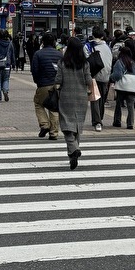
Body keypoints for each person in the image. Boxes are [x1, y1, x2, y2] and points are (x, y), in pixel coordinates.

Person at [54, 36, 95, 170]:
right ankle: (73, 154)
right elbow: (89, 80)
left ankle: (74, 149)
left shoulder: (62, 63)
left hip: (66, 96)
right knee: (77, 125)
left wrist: (56, 88)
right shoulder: (85, 63)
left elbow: (58, 80)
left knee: (66, 126)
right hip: (81, 97)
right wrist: (89, 91)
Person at [30, 32, 62, 140]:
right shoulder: (59, 54)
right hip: (57, 85)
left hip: (43, 84)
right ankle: (54, 133)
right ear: (54, 42)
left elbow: (34, 70)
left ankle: (44, 124)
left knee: (38, 103)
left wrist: (37, 81)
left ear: (42, 42)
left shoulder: (38, 54)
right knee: (54, 108)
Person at [110, 37, 135, 129]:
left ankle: (117, 121)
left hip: (122, 87)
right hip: (132, 87)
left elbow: (117, 75)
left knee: (119, 104)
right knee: (130, 106)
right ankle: (130, 123)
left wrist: (111, 78)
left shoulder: (119, 62)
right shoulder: (133, 63)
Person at [88, 26, 113, 131]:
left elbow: (86, 61)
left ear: (93, 35)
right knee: (102, 99)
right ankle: (99, 119)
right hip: (106, 76)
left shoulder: (89, 46)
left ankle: (97, 122)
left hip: (94, 76)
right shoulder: (108, 47)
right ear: (103, 36)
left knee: (95, 99)